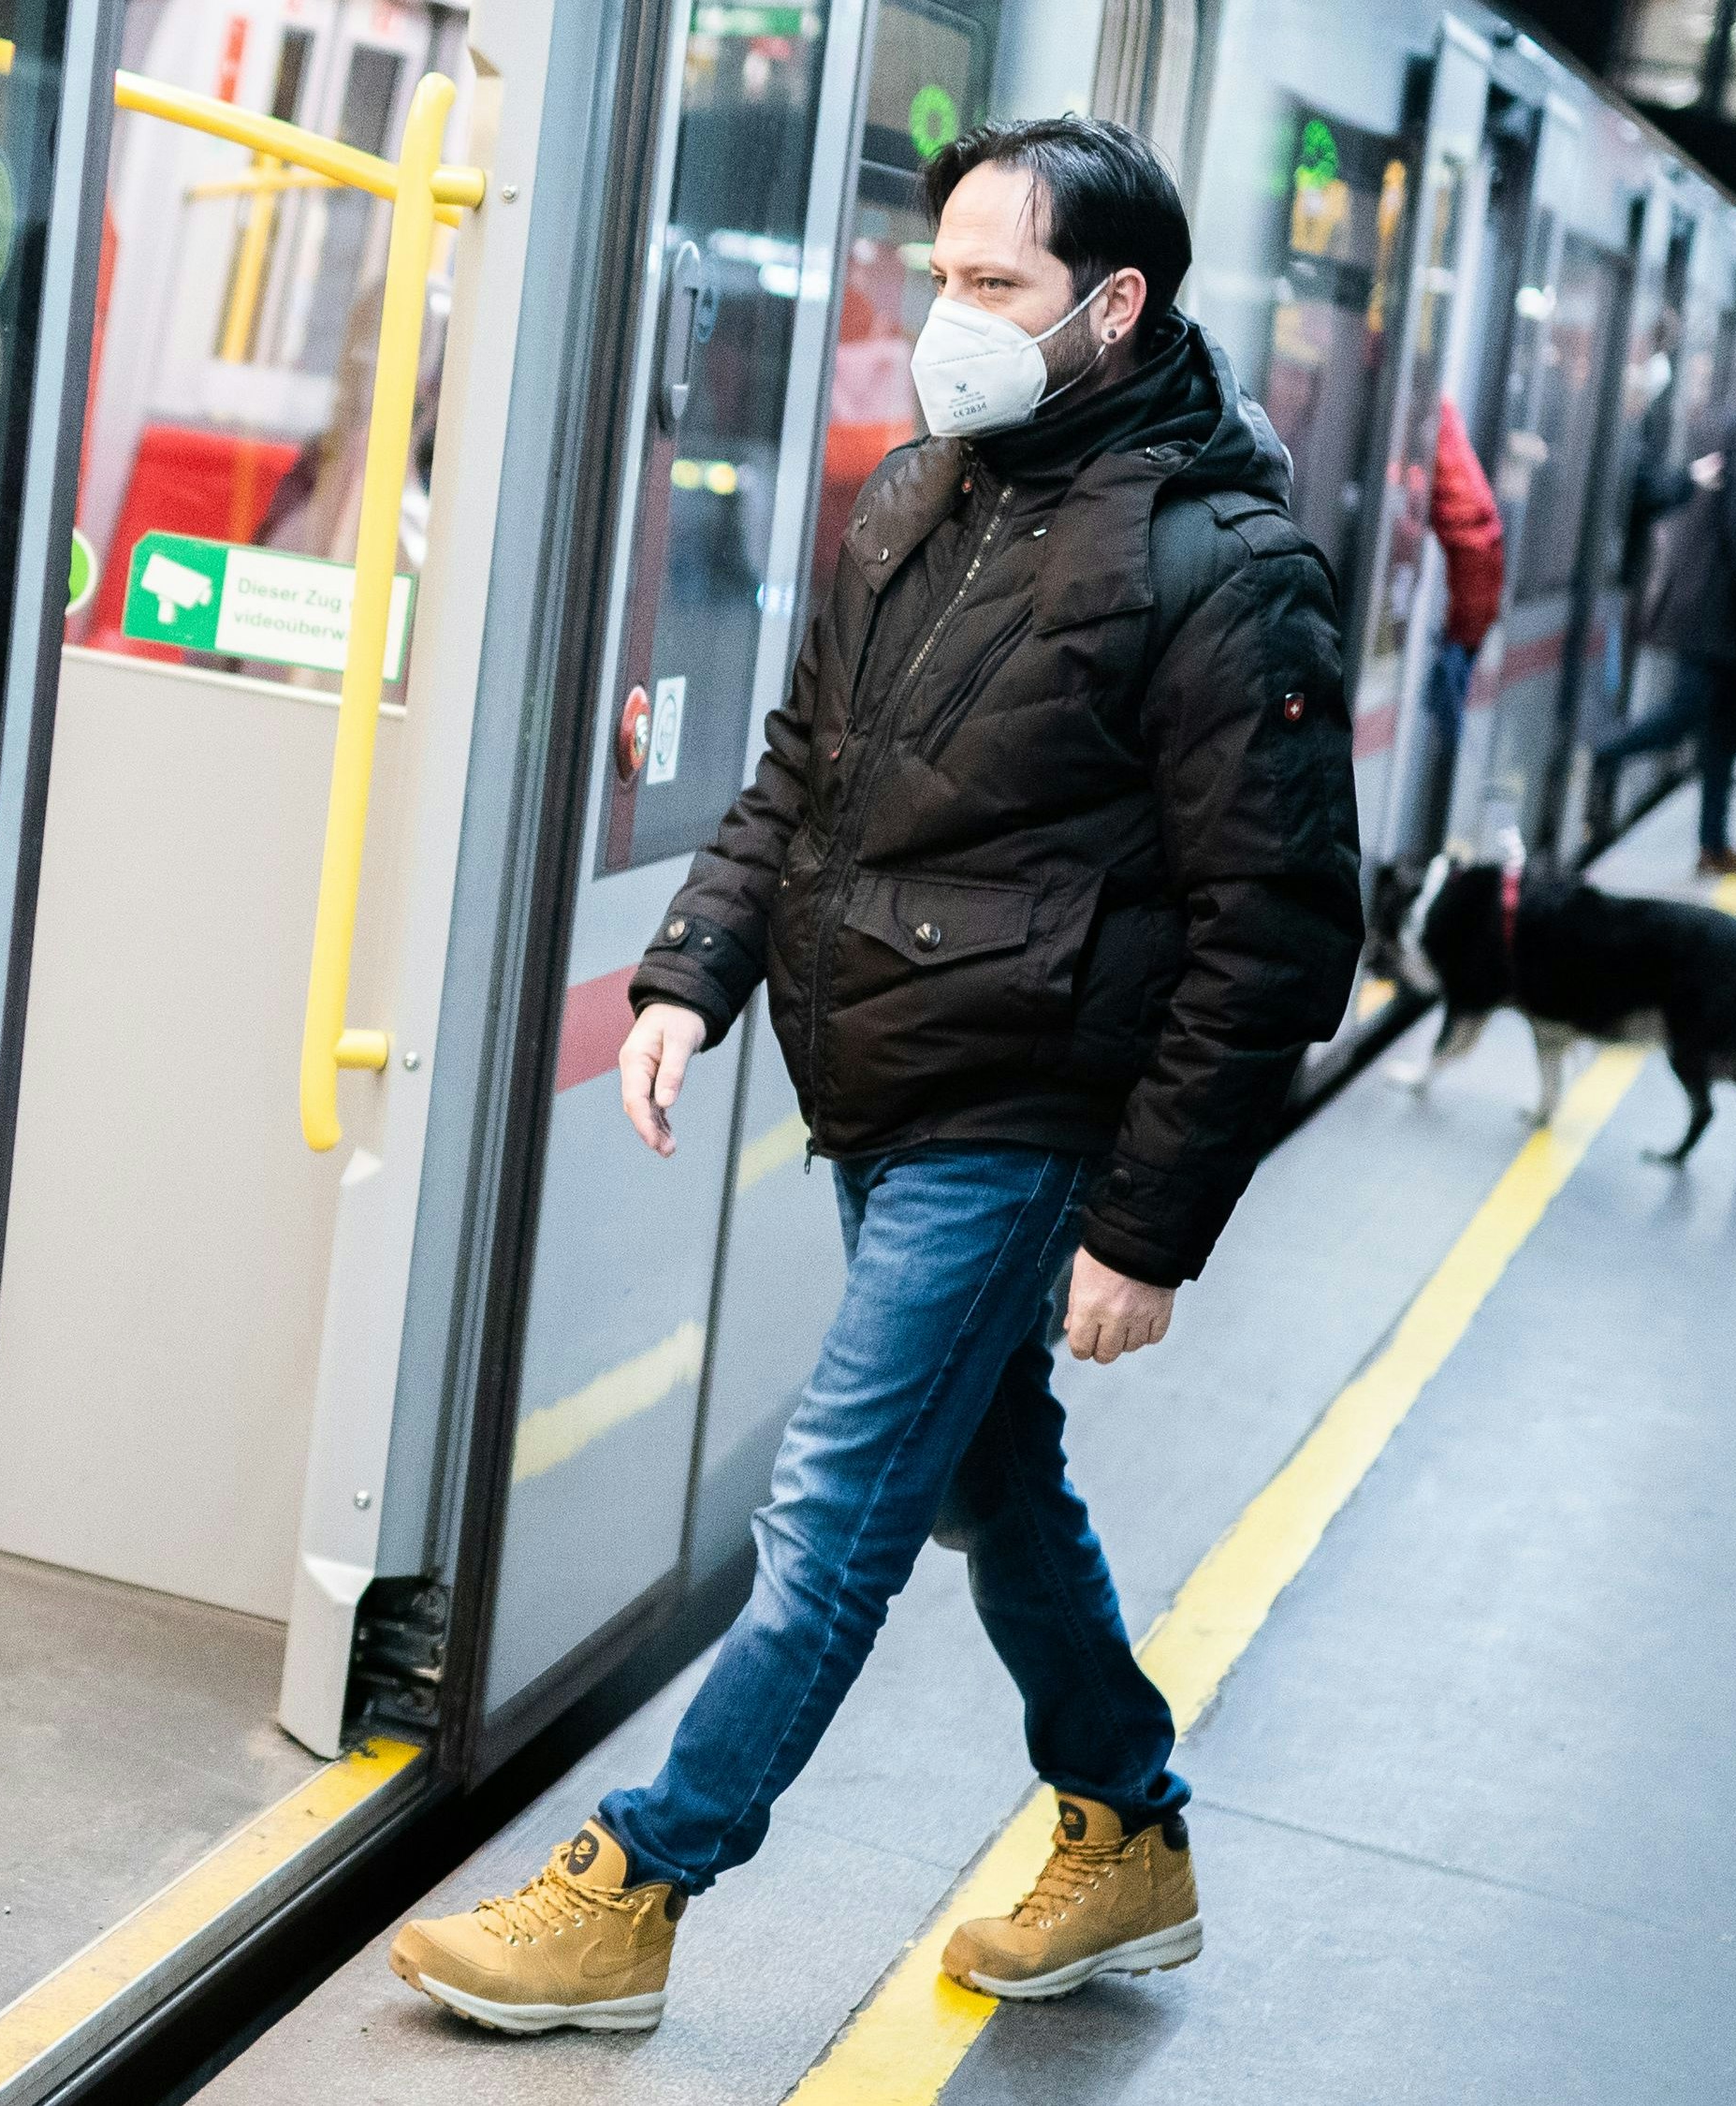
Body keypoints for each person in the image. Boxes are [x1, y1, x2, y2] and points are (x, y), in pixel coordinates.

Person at [389, 116, 1360, 2034]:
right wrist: (689, 974)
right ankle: (1128, 1832)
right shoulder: (919, 492)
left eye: (992, 287)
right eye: (938, 278)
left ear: (1112, 302)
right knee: (992, 1486)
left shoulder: (1221, 567)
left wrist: (1145, 1225)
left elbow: (1276, 934)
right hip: (881, 1088)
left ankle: (636, 1891)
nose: (945, 318)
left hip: (1022, 1118)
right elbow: (801, 777)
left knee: (832, 1508)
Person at [1597, 318, 1736, 878]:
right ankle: (1602, 755)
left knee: (1722, 723)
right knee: (1686, 715)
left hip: (1702, 591)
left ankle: (1712, 843)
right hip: (1720, 605)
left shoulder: (1731, 411)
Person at [1421, 395, 1507, 735]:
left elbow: (1471, 534)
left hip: (1469, 615)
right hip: (1470, 613)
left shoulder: (1438, 438)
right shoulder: (1447, 431)